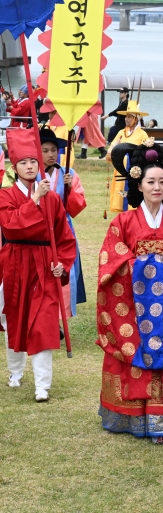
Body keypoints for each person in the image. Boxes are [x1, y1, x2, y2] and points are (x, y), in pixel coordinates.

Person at [97, 141, 163, 442]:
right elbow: (112, 259)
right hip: (134, 306)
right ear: (139, 185)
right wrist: (149, 269)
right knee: (136, 354)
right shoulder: (123, 222)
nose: (157, 187)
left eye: (162, 181)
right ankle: (132, 418)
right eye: (150, 182)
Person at [0, 128, 76, 402]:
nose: (30, 166)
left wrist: (62, 265)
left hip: (44, 265)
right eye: (24, 162)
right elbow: (11, 226)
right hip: (15, 263)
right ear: (14, 167)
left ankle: (42, 385)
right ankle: (16, 372)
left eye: (34, 161)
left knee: (43, 322)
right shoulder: (6, 196)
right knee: (14, 320)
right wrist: (34, 200)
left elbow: (64, 238)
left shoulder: (54, 199)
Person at [39, 127, 86, 318]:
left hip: (63, 231)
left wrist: (69, 189)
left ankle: (59, 319)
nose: (51, 155)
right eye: (45, 150)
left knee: (63, 271)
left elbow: (76, 208)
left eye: (53, 150)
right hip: (39, 231)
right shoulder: (31, 174)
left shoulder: (69, 173)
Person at [106, 101, 150, 213]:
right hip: (121, 167)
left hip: (134, 168)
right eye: (126, 116)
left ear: (136, 119)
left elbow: (147, 152)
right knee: (121, 194)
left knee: (132, 192)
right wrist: (112, 150)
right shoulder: (121, 132)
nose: (127, 119)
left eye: (130, 117)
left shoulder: (142, 134)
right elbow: (112, 148)